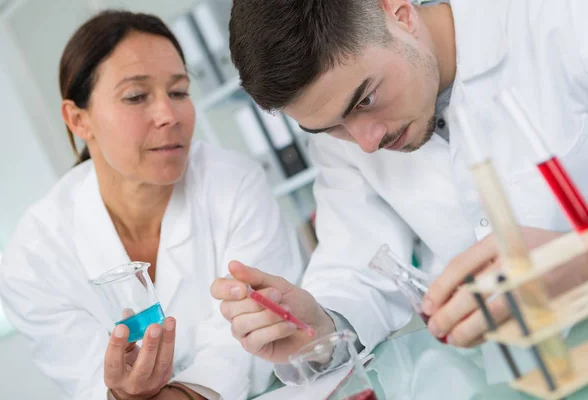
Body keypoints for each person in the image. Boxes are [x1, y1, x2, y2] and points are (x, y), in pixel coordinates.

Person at [211, 0, 588, 378]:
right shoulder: (343, 142)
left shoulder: (559, 19)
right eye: (329, 127)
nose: (367, 142)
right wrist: (321, 327)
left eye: (367, 99)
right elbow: (356, 262)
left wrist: (579, 264)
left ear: (401, 14)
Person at [0, 10, 303, 400]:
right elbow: (91, 381)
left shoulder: (234, 183)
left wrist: (185, 394)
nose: (168, 115)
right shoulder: (34, 257)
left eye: (179, 92)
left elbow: (253, 339)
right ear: (78, 120)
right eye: (136, 96)